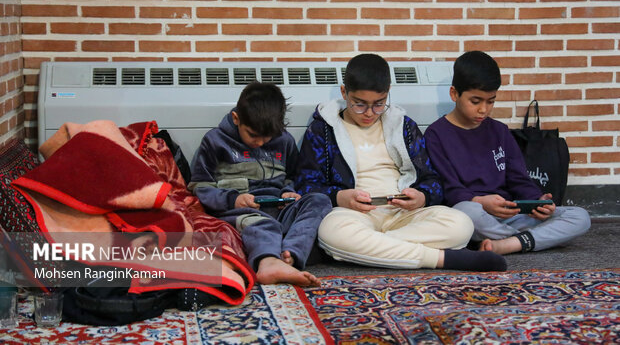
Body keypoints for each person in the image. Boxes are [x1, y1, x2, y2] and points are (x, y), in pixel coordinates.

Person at [295, 53, 507, 272]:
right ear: (344, 92)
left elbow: (432, 179)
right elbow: (305, 185)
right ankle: (441, 259)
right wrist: (339, 197)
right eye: (359, 105)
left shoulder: (404, 127)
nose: (369, 113)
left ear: (388, 94)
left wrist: (421, 197)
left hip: (402, 213)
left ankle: (371, 248)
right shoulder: (323, 130)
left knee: (461, 224)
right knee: (333, 231)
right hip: (353, 213)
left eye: (379, 104)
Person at [424, 50, 591, 255]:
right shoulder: (436, 134)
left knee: (580, 217)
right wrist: (481, 202)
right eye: (475, 101)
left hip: (510, 213)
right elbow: (448, 190)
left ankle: (506, 243)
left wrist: (537, 200)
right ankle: (527, 240)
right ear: (454, 94)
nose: (483, 110)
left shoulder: (500, 131)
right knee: (466, 213)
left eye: (491, 101)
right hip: (475, 214)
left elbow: (518, 179)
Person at [189, 82, 332, 286]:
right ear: (236, 119)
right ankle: (268, 263)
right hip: (241, 212)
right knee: (264, 225)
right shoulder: (215, 141)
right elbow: (199, 186)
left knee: (319, 200)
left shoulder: (284, 141)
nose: (261, 143)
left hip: (279, 208)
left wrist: (289, 192)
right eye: (253, 135)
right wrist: (233, 199)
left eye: (268, 137)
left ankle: (290, 254)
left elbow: (292, 177)